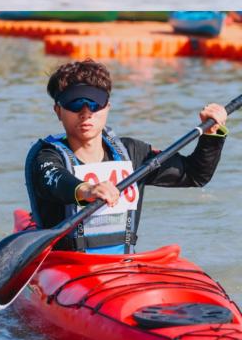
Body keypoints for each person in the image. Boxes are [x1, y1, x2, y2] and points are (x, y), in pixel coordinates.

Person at [24, 59, 228, 254]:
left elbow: (195, 175)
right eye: (75, 104)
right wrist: (87, 190)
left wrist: (211, 136)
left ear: (107, 107)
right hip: (63, 263)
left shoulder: (133, 153)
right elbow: (57, 180)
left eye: (94, 104)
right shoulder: (45, 157)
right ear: (58, 111)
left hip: (122, 263)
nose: (86, 113)